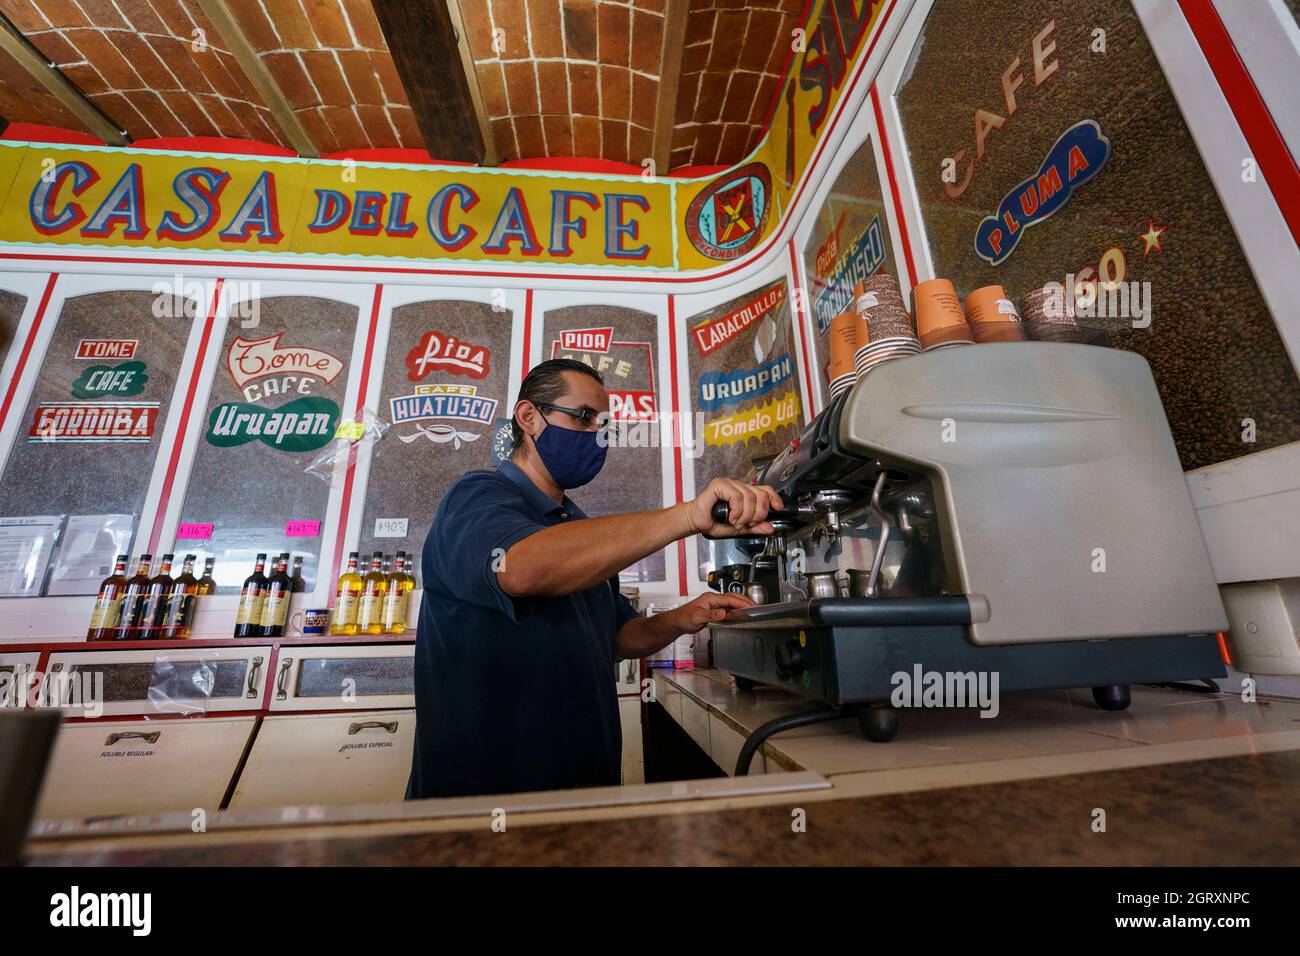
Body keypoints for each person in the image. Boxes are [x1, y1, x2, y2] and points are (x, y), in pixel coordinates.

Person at [406, 358, 782, 799]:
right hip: (486, 794)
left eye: (604, 424)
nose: (597, 434)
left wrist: (684, 618)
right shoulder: (477, 496)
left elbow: (615, 637)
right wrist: (688, 516)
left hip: (581, 787)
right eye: (584, 417)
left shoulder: (576, 525)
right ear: (529, 417)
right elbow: (521, 570)